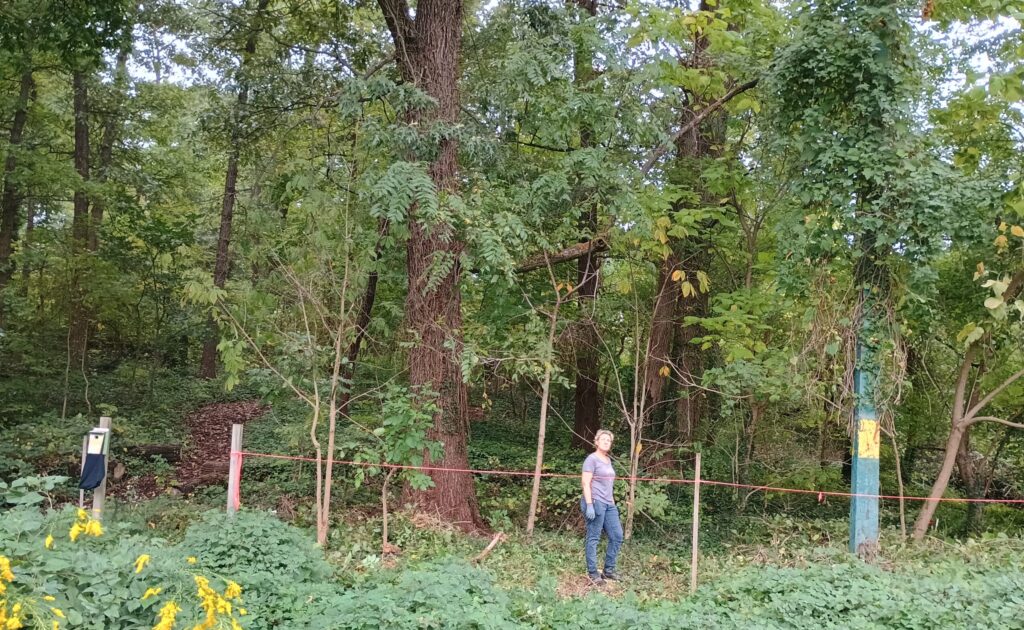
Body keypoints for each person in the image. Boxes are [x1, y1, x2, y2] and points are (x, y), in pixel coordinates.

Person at [580, 429, 623, 585]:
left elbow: (609, 484)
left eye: (609, 440)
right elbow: (585, 482)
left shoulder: (607, 460)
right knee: (594, 537)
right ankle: (593, 572)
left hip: (608, 504)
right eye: (603, 439)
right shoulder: (591, 459)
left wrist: (612, 503)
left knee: (617, 536)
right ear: (596, 442)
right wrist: (589, 504)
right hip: (595, 501)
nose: (606, 442)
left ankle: (608, 570)